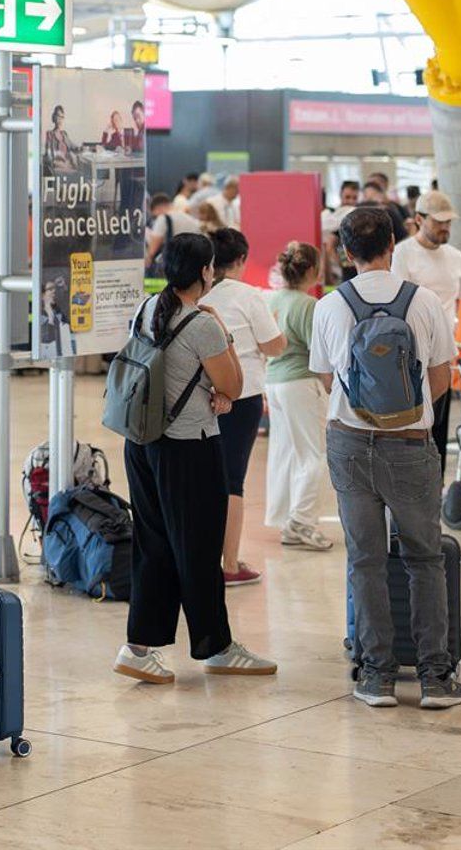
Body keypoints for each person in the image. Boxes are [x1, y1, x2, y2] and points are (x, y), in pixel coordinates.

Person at [310, 206, 461, 710]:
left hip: (350, 443)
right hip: (411, 445)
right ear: (393, 244)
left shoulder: (329, 306)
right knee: (424, 558)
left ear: (345, 251)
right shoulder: (424, 302)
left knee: (365, 559)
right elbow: (440, 376)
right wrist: (405, 413)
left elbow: (328, 378)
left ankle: (376, 677)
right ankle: (435, 678)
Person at [113, 233, 276, 686]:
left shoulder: (148, 308)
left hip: (141, 443)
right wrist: (223, 333)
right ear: (206, 272)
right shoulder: (202, 324)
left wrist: (216, 390)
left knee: (154, 544)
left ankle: (138, 648)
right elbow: (235, 385)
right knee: (200, 549)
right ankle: (216, 647)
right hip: (188, 447)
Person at [201, 229, 286, 586]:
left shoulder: (198, 294)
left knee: (203, 477)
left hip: (200, 395)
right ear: (240, 260)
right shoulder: (248, 296)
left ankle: (201, 557)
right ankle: (230, 564)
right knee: (232, 480)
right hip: (242, 394)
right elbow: (274, 346)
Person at [265, 241, 334, 550]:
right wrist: (331, 386)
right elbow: (319, 354)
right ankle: (302, 522)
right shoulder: (308, 305)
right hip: (301, 384)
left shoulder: (273, 299)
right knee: (314, 454)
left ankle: (287, 519)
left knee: (286, 452)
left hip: (274, 382)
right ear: (312, 270)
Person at [390, 188, 461, 467]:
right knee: (413, 425)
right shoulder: (402, 254)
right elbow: (398, 305)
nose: (445, 227)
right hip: (411, 353)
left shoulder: (456, 256)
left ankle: (437, 483)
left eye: (448, 222)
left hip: (444, 353)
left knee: (439, 426)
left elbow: (459, 301)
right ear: (419, 219)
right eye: (438, 221)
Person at [144, 193, 200, 276]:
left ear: (159, 208)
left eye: (155, 216)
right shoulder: (191, 220)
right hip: (192, 265)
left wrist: (148, 259)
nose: (155, 219)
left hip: (174, 266)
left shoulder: (163, 219)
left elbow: (153, 247)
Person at [44, 105, 79, 175]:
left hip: (67, 164)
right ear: (54, 118)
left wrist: (83, 148)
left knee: (80, 170)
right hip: (57, 166)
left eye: (62, 117)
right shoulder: (50, 134)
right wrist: (61, 161)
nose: (60, 120)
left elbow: (74, 147)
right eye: (58, 116)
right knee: (76, 173)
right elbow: (49, 155)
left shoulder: (64, 134)